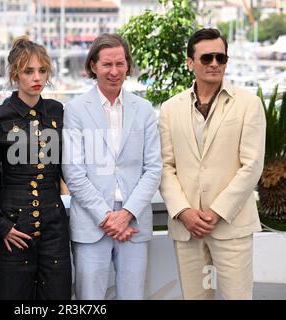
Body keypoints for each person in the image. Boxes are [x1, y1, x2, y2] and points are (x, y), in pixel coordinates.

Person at [159, 28, 266, 300]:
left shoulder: (249, 104)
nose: (215, 64)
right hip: (187, 228)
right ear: (190, 62)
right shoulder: (170, 108)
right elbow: (164, 166)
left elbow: (251, 166)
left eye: (221, 57)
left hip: (231, 225)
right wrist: (184, 211)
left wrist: (216, 212)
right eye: (207, 58)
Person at [62, 33, 162, 300]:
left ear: (128, 65)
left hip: (134, 220)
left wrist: (126, 213)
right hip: (93, 222)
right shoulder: (75, 110)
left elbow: (153, 168)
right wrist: (108, 218)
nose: (114, 71)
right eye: (107, 64)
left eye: (120, 63)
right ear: (93, 65)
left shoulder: (143, 109)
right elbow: (73, 172)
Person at [0, 36, 71, 300]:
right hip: (13, 226)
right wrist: (1, 226)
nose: (36, 77)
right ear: (14, 74)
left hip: (53, 224)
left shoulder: (58, 113)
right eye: (29, 71)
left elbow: (70, 167)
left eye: (42, 71)